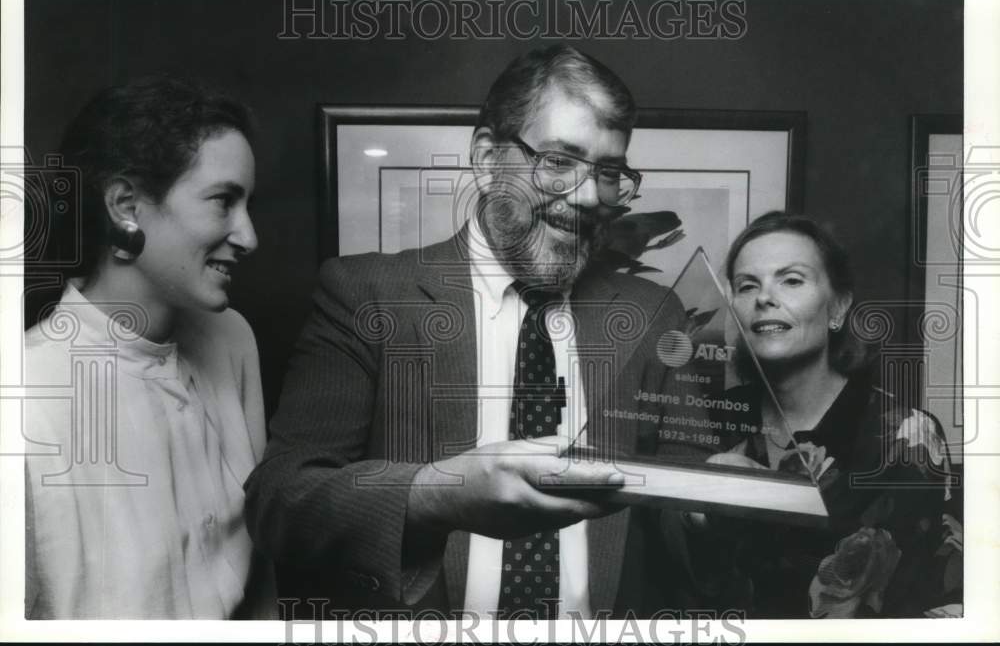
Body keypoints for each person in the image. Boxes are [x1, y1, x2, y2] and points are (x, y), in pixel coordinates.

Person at [245, 44, 692, 619]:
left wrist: (724, 501)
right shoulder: (367, 295)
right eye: (558, 161)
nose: (586, 197)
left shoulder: (653, 314)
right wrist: (438, 494)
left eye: (608, 173)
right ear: (485, 159)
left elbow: (686, 518)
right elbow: (282, 500)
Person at [24, 77, 275, 618]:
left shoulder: (232, 340)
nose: (249, 236)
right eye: (223, 201)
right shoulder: (24, 399)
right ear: (124, 206)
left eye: (248, 204)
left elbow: (262, 569)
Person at [692, 211, 956, 618]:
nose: (764, 298)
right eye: (747, 286)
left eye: (792, 280)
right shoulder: (707, 421)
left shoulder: (906, 436)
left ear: (838, 308)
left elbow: (931, 601)